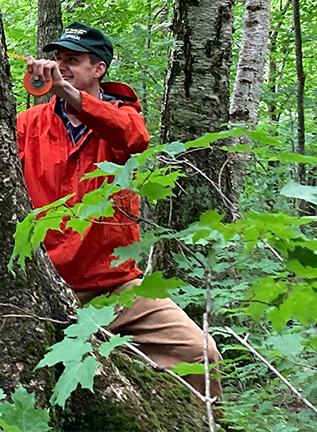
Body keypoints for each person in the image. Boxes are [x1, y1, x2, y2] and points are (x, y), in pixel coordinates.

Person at [17, 22, 222, 400]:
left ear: (99, 69)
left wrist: (70, 94)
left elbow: (134, 139)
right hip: (45, 284)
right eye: (58, 59)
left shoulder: (123, 119)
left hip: (116, 285)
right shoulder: (29, 124)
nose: (61, 67)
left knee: (201, 354)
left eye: (73, 61)